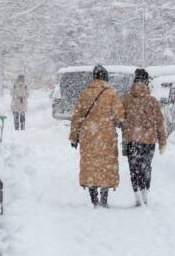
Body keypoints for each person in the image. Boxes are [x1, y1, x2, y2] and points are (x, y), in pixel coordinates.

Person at [69, 65, 124, 208]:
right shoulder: (111, 93)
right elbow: (119, 117)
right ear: (105, 77)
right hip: (107, 135)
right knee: (107, 165)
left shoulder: (84, 94)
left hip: (88, 135)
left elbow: (77, 117)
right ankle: (104, 198)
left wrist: (74, 137)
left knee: (90, 164)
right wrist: (120, 123)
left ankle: (93, 198)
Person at [121, 68, 167, 206]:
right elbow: (159, 123)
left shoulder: (126, 99)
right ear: (147, 82)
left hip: (132, 140)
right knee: (146, 167)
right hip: (149, 140)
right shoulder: (152, 101)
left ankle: (137, 194)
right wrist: (162, 141)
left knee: (133, 168)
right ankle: (145, 192)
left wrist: (126, 126)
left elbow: (120, 120)